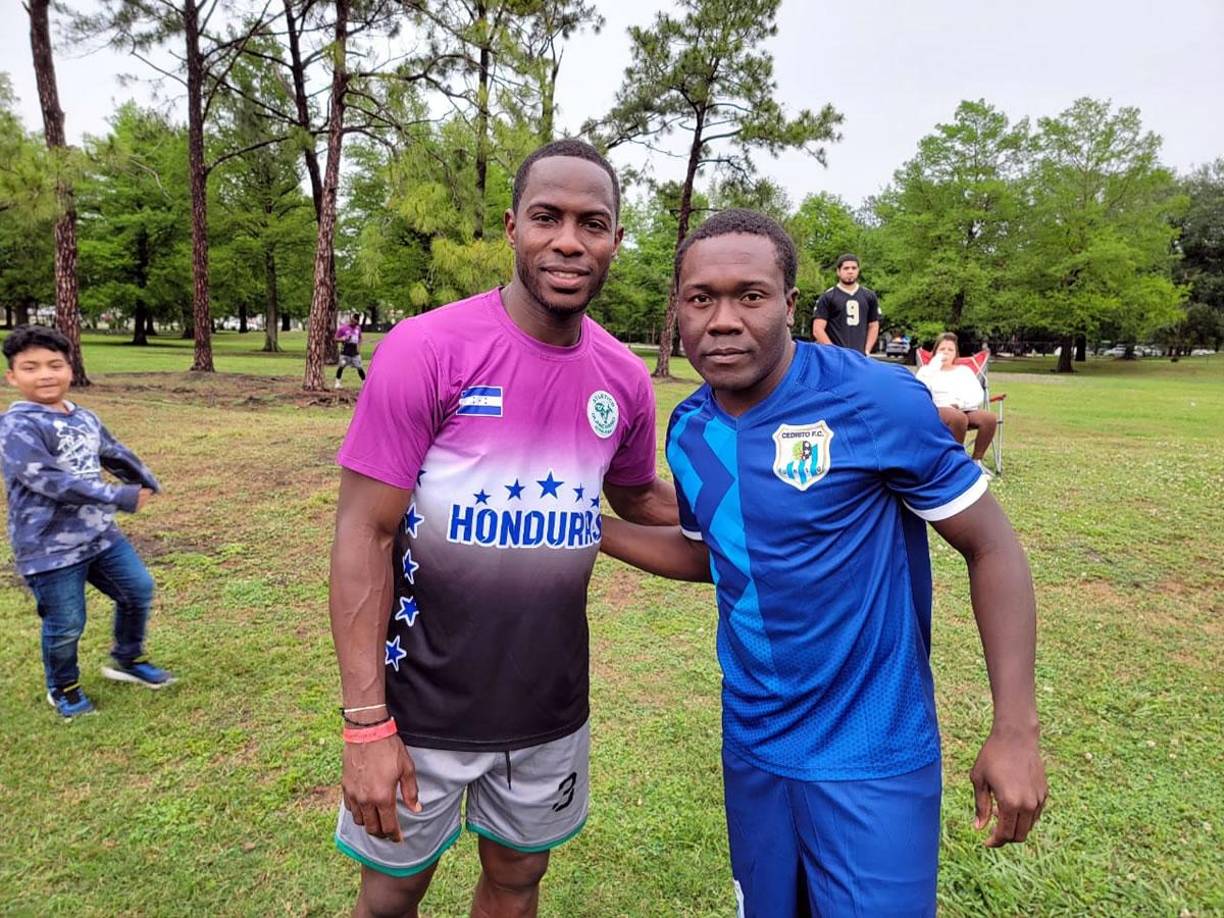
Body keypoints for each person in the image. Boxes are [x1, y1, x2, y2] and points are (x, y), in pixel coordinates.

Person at [600, 210, 1047, 917]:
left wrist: (1016, 729)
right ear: (677, 310)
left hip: (872, 750)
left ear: (788, 304)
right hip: (753, 744)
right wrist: (591, 529)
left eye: (750, 296)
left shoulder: (875, 399)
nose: (723, 320)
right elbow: (715, 556)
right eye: (700, 298)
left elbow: (991, 546)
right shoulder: (689, 430)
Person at [328, 139, 676, 918]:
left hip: (548, 707)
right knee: (391, 894)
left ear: (616, 241)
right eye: (548, 218)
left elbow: (639, 500)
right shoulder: (426, 348)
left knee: (518, 881)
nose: (569, 241)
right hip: (419, 706)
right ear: (513, 227)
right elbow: (363, 534)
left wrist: (778, 511)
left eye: (593, 224)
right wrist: (366, 725)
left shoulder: (623, 378)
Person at [0, 325, 174, 720]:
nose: (45, 375)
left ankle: (127, 658)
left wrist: (144, 480)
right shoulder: (16, 426)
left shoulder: (84, 417)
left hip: (99, 536)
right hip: (48, 548)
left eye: (54, 365)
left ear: (70, 368)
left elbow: (112, 452)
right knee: (66, 623)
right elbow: (50, 481)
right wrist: (118, 496)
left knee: (137, 590)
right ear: (12, 377)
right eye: (30, 367)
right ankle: (63, 687)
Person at [917, 332, 999, 477]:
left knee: (989, 418)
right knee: (958, 418)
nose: (946, 353)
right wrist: (933, 367)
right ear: (935, 352)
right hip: (937, 408)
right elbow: (920, 390)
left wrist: (960, 404)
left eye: (950, 350)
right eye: (942, 349)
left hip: (963, 407)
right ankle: (955, 463)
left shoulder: (964, 371)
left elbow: (977, 394)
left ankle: (976, 462)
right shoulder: (927, 371)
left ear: (956, 354)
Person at [812, 253, 880, 354]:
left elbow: (873, 325)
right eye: (846, 268)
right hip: (836, 356)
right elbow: (817, 329)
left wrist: (867, 350)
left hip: (859, 356)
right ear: (838, 271)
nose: (850, 271)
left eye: (854, 268)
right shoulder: (828, 297)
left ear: (858, 270)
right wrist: (833, 351)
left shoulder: (869, 296)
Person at [335, 313, 366, 389]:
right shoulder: (343, 328)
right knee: (341, 366)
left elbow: (360, 338)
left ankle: (365, 383)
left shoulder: (358, 328)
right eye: (352, 320)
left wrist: (359, 347)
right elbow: (335, 338)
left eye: (356, 321)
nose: (353, 322)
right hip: (345, 352)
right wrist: (343, 339)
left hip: (355, 352)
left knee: (359, 367)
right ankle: (337, 383)